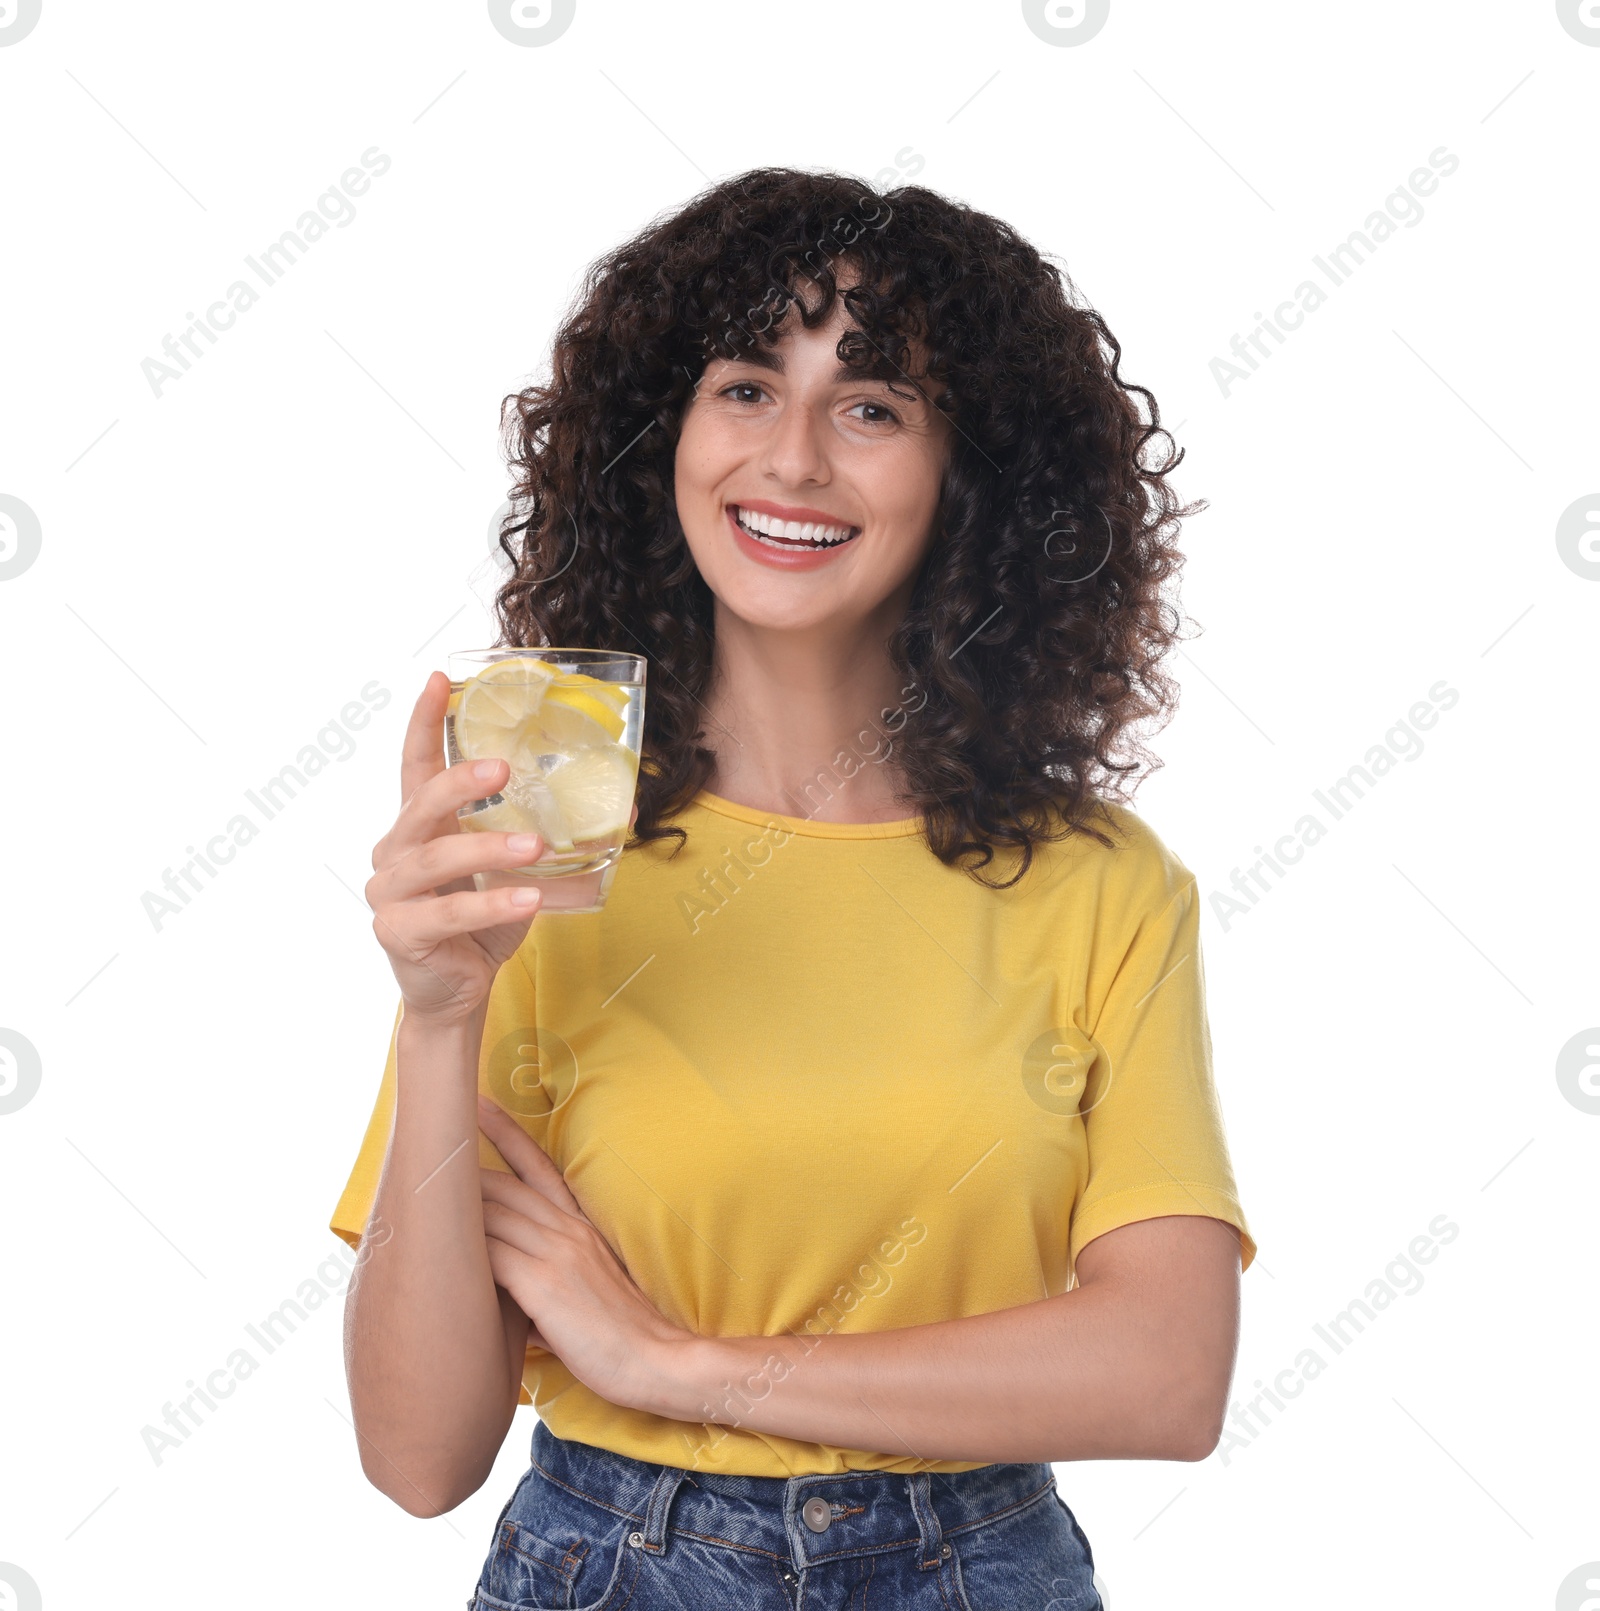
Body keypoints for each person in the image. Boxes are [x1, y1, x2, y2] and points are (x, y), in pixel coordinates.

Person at [330, 167, 1256, 1611]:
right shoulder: (538, 866)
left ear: (972, 475)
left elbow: (1169, 1374)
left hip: (980, 1570)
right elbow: (416, 1458)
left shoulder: (1102, 889)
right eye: (748, 387)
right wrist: (441, 1017)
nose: (798, 458)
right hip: (610, 1568)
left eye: (873, 406)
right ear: (664, 436)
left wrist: (682, 1369)